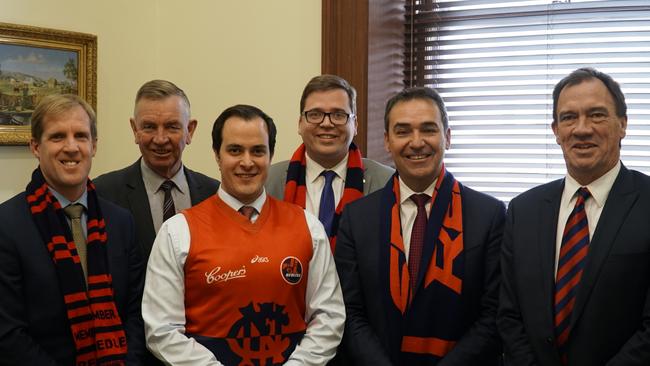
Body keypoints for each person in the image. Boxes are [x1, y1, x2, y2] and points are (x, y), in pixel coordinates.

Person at [142, 104, 345, 365]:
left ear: (271, 155)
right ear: (217, 155)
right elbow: (162, 330)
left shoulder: (307, 226)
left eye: (258, 151)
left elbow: (329, 316)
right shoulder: (178, 231)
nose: (247, 162)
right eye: (235, 150)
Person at [334, 87, 505, 365]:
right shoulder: (356, 218)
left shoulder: (489, 215)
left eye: (428, 129)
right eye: (402, 132)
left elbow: (494, 315)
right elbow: (349, 312)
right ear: (387, 141)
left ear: (447, 137)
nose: (416, 142)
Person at [498, 67, 650, 365]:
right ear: (556, 131)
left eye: (596, 115)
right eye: (568, 117)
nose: (582, 128)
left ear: (623, 125)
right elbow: (509, 315)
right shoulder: (522, 211)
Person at [0, 94, 145, 365]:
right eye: (57, 137)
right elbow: (8, 334)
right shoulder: (6, 226)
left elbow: (136, 313)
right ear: (35, 146)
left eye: (81, 135)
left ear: (94, 145)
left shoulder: (121, 222)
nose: (71, 147)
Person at [94, 79, 219, 260]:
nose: (160, 139)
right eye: (149, 127)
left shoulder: (214, 194)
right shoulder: (103, 193)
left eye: (171, 127)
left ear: (189, 130)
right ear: (135, 130)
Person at [266, 74, 393, 249]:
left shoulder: (388, 183)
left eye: (338, 114)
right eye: (315, 114)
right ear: (300, 123)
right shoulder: (268, 182)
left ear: (355, 124)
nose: (326, 123)